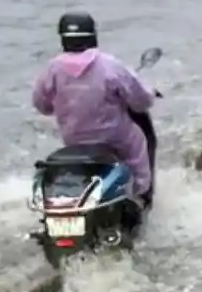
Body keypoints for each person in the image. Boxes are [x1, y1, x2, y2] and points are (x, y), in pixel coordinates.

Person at [31, 12, 157, 206]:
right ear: (93, 36)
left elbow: (41, 105)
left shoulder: (52, 68)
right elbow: (140, 101)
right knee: (138, 143)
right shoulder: (109, 65)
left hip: (74, 138)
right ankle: (141, 193)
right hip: (114, 138)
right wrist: (150, 94)